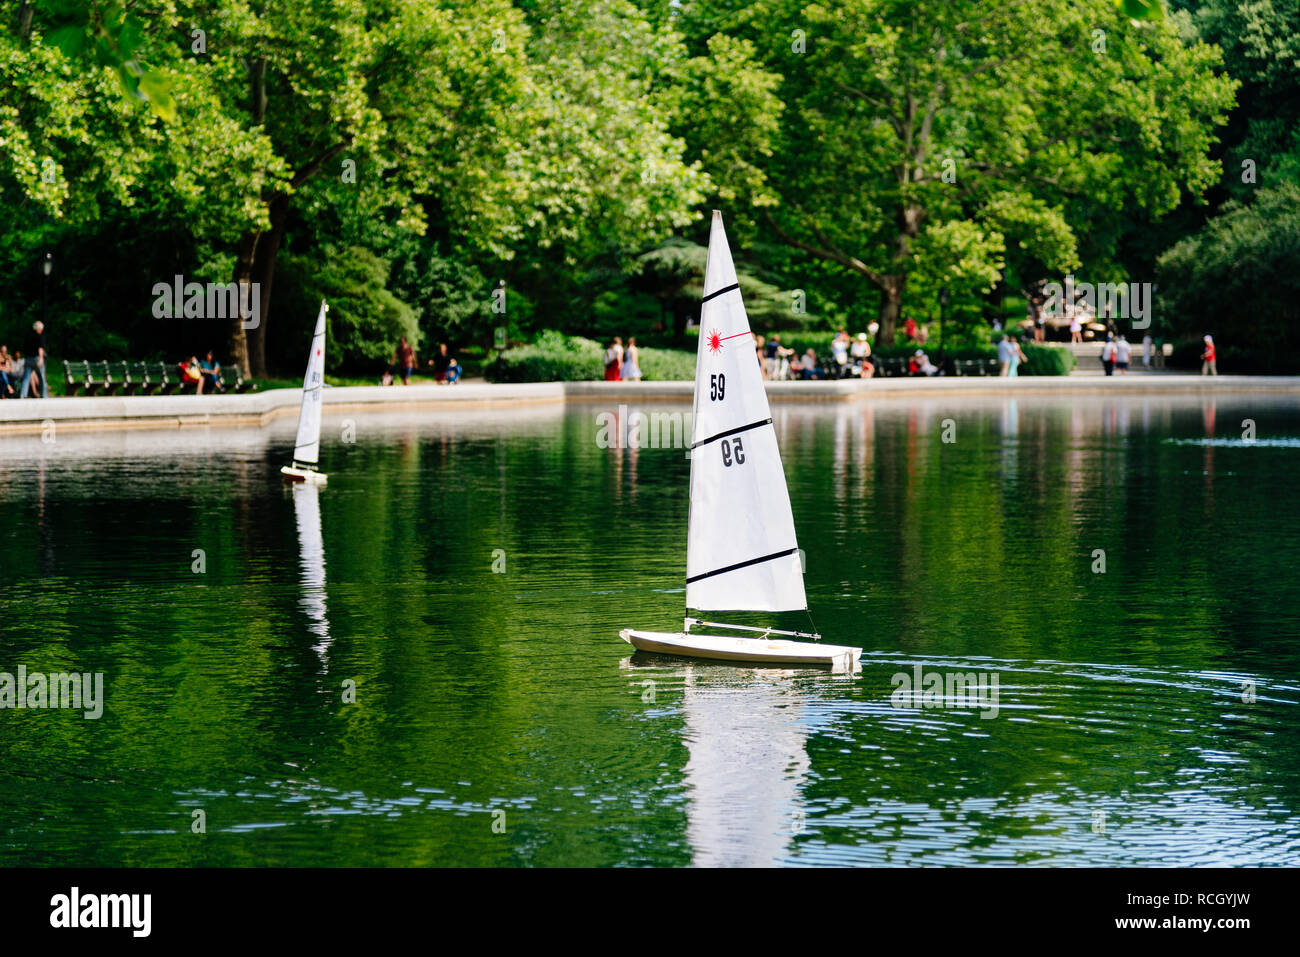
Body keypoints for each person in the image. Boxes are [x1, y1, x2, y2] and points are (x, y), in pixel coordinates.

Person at [20, 320, 47, 399]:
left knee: (26, 377)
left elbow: (24, 347)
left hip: (28, 358)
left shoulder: (28, 335)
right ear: (39, 329)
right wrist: (41, 358)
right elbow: (40, 348)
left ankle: (23, 394)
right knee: (41, 377)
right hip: (36, 358)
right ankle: (44, 394)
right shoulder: (39, 336)